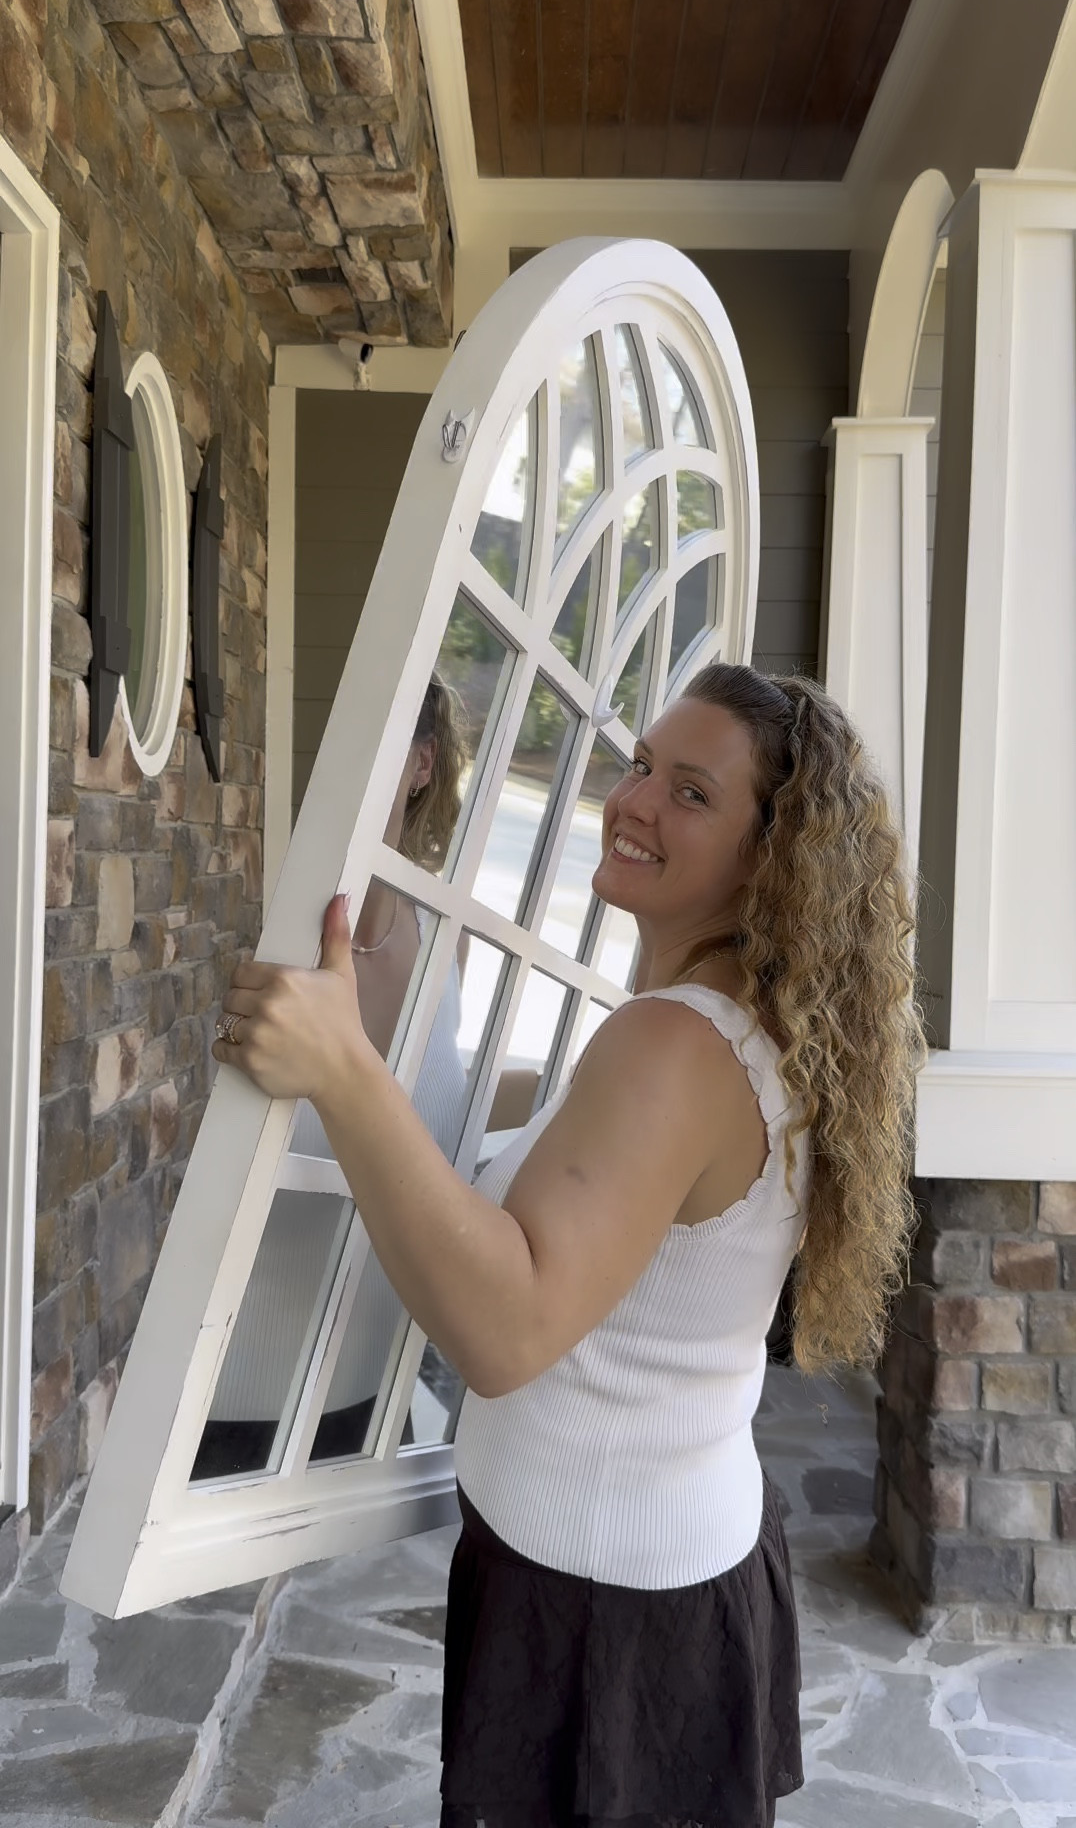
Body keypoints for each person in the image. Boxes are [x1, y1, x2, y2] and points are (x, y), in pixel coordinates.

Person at [212, 662, 924, 1828]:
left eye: (691, 793)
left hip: (605, 1613)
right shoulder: (729, 1021)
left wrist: (343, 1073)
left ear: (769, 852)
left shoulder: (675, 1046)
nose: (633, 801)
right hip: (664, 1568)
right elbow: (610, 1164)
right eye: (641, 765)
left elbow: (509, 1330)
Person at [195, 676, 470, 1478]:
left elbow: (444, 1115)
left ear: (422, 765)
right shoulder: (273, 927)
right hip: (228, 1399)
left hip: (374, 1391)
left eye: (380, 744)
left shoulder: (451, 941)